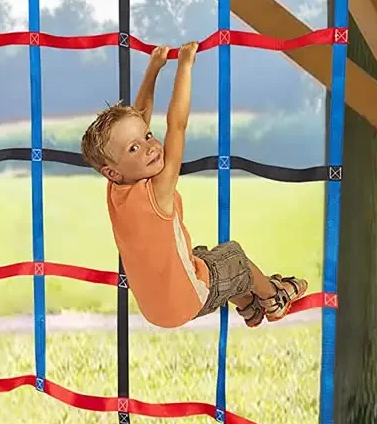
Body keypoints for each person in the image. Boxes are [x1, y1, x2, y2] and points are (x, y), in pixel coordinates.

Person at [81, 40, 307, 330]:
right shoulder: (157, 192)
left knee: (202, 257)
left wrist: (153, 69)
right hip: (185, 302)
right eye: (134, 149)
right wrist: (185, 66)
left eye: (148, 137)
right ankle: (273, 299)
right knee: (234, 257)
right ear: (112, 171)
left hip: (155, 308)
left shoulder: (116, 189)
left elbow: (138, 117)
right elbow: (177, 125)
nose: (150, 147)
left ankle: (248, 307)